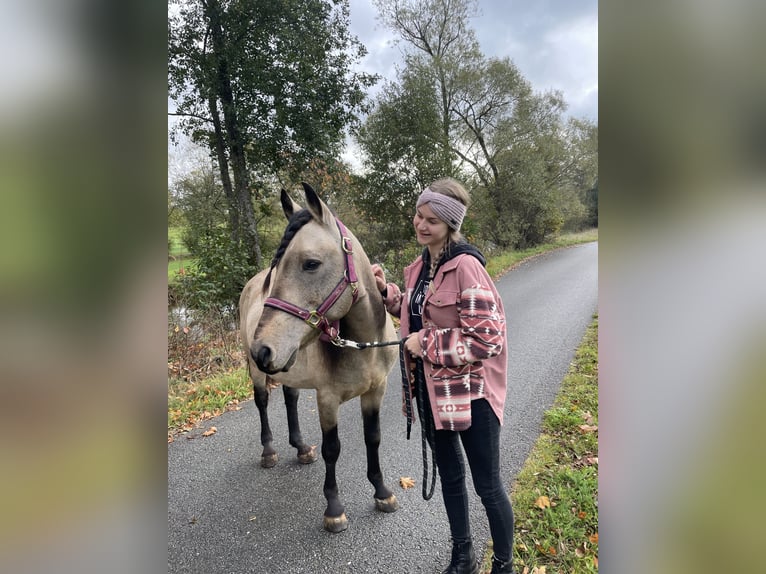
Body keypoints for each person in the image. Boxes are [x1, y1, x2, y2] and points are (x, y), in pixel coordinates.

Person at [372, 178, 514, 574]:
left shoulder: (467, 267)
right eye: (419, 214)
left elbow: (487, 338)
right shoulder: (420, 266)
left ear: (450, 224)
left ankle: (504, 564)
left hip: (472, 395)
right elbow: (417, 314)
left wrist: (428, 344)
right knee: (451, 477)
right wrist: (389, 296)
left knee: (487, 486)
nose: (420, 224)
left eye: (432, 220)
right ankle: (462, 556)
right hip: (432, 394)